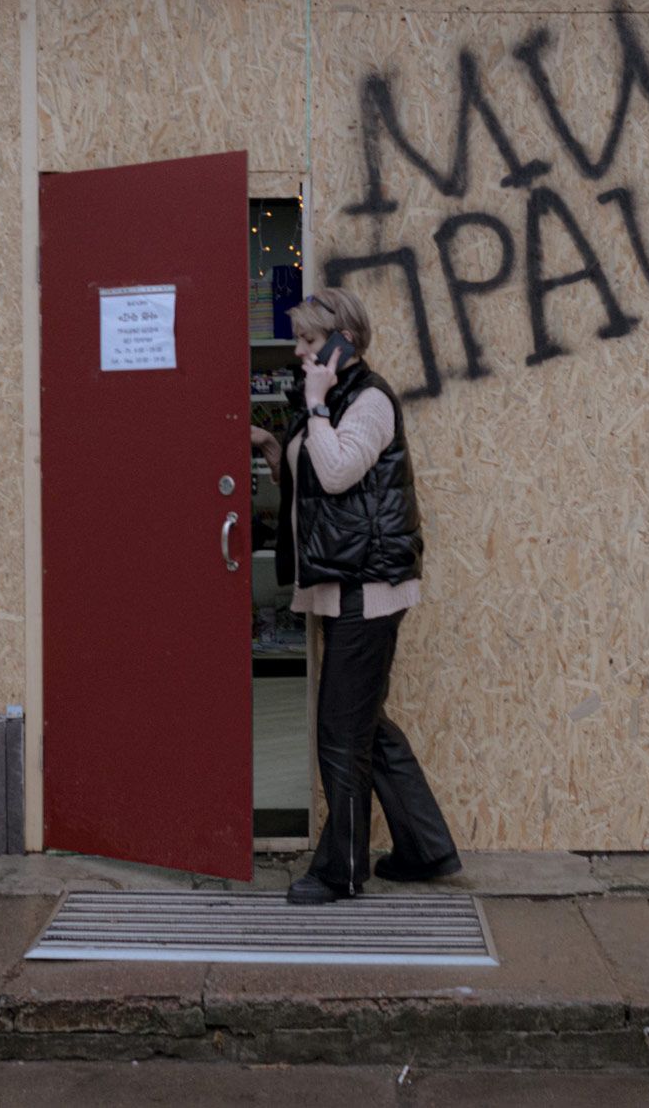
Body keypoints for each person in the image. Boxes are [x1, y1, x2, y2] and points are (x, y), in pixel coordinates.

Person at [249, 288, 461, 905]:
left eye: (309, 341)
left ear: (344, 342)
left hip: (367, 588)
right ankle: (426, 848)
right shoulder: (332, 399)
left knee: (340, 733)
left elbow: (339, 472)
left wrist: (315, 406)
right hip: (340, 582)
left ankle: (341, 870)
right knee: (366, 726)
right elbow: (315, 485)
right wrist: (272, 447)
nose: (298, 352)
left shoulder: (368, 401)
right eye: (298, 340)